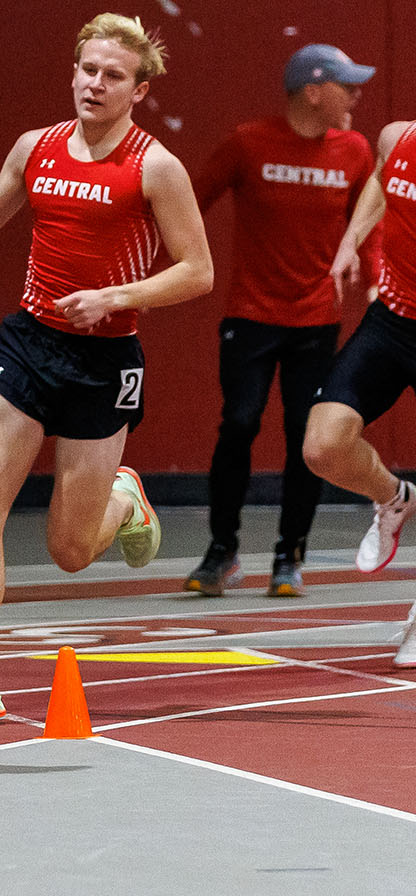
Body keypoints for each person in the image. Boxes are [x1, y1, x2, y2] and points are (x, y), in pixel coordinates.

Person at [0, 13, 213, 729]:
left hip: (104, 358)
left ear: (138, 89)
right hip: (29, 342)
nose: (96, 84)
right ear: (74, 72)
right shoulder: (36, 148)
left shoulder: (155, 167)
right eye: (87, 70)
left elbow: (197, 271)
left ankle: (125, 498)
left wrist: (117, 296)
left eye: (113, 76)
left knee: (68, 551)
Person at [185, 44, 377, 598]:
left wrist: (373, 268)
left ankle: (289, 555)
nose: (357, 94)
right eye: (347, 85)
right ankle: (222, 550)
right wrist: (168, 270)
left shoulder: (356, 150)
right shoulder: (248, 143)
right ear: (313, 91)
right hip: (250, 316)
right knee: (239, 423)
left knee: (305, 436)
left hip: (316, 321)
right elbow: (190, 202)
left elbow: (372, 221)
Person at [306, 116, 416, 668]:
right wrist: (351, 242)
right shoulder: (399, 137)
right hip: (393, 321)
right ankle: (395, 499)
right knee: (322, 447)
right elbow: (382, 179)